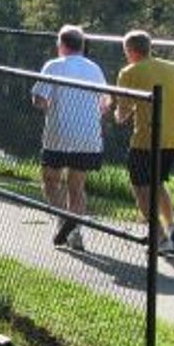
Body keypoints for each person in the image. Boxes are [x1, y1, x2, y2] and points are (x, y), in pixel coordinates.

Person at [114, 29, 174, 253]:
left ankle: (158, 237)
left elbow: (123, 112)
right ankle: (172, 226)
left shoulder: (129, 72)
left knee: (140, 189)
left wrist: (116, 112)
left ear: (129, 51)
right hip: (173, 139)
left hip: (145, 140)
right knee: (157, 184)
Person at [30, 25, 108, 251]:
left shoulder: (54, 65)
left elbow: (39, 99)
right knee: (77, 185)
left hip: (58, 135)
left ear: (61, 45)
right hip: (88, 137)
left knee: (50, 180)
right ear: (82, 46)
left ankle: (63, 220)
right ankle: (75, 231)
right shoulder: (94, 68)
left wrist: (52, 105)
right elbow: (106, 102)